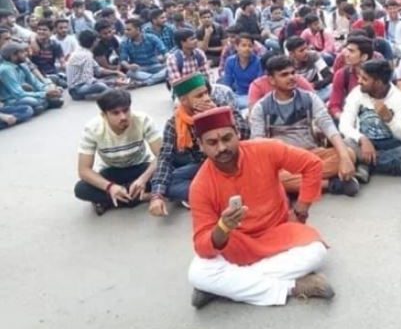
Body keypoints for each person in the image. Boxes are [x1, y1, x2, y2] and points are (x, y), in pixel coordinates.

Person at [186, 106, 334, 308]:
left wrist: (300, 210)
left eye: (227, 138)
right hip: (236, 243)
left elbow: (312, 165)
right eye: (212, 142)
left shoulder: (265, 149)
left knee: (316, 251)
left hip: (278, 231)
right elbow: (202, 245)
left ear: (237, 134)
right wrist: (223, 227)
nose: (221, 148)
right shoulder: (200, 186)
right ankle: (292, 286)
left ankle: (224, 287)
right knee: (198, 272)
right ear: (201, 146)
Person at [249, 56, 359, 196]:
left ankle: (299, 183)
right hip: (283, 162)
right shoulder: (262, 107)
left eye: (293, 73)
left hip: (311, 154)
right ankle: (331, 184)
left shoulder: (309, 98)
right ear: (271, 80)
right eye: (284, 75)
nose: (291, 77)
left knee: (349, 154)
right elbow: (258, 144)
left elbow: (328, 127)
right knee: (270, 176)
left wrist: (344, 158)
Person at [149, 73, 243, 215]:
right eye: (199, 96)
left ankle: (206, 197)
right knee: (170, 182)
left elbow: (245, 133)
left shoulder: (221, 109)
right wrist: (157, 195)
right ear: (184, 100)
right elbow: (165, 158)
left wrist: (216, 114)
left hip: (228, 160)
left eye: (206, 93)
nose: (206, 98)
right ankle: (217, 195)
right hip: (200, 166)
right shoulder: (174, 123)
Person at [340, 59, 401, 186]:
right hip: (364, 143)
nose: (359, 81)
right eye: (359, 77)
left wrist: (389, 120)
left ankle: (366, 164)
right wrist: (362, 139)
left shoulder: (398, 98)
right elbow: (344, 124)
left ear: (378, 83)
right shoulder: (357, 93)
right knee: (346, 143)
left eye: (364, 79)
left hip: (392, 144)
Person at [74, 89, 162, 216]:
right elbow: (84, 170)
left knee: (172, 170)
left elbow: (162, 155)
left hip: (140, 167)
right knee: (81, 189)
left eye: (126, 110)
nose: (123, 117)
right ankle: (141, 197)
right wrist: (110, 187)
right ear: (104, 115)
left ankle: (109, 201)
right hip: (112, 171)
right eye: (115, 113)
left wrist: (143, 179)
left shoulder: (143, 120)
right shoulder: (92, 129)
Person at [0, 42, 64, 114]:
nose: (26, 54)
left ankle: (43, 104)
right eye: (22, 52)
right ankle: (44, 104)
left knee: (56, 90)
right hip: (12, 100)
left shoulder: (22, 66)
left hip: (24, 95)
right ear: (13, 56)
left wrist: (48, 89)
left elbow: (35, 83)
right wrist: (45, 94)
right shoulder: (5, 70)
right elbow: (18, 94)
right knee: (33, 101)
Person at [67, 30, 128, 101]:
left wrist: (116, 72)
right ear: (93, 42)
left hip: (81, 85)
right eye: (96, 40)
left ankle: (112, 90)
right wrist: (113, 82)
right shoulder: (85, 55)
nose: (98, 41)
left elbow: (98, 70)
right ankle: (114, 92)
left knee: (107, 81)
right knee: (101, 86)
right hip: (77, 89)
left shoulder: (83, 52)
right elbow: (89, 80)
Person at [328, 36, 374, 121]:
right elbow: (334, 105)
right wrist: (344, 120)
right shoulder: (342, 74)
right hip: (349, 118)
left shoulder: (377, 76)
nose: (346, 54)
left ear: (364, 57)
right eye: (347, 50)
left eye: (351, 51)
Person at [120, 18, 168, 87]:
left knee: (169, 68)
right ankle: (159, 78)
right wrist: (129, 66)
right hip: (140, 69)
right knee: (130, 73)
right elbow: (123, 60)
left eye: (128, 30)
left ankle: (146, 82)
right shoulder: (125, 43)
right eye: (125, 30)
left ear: (138, 29)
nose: (126, 32)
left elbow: (164, 52)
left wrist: (168, 59)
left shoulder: (152, 37)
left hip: (156, 66)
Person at [285, 36, 333, 102]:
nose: (306, 52)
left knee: (333, 88)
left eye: (306, 48)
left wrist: (314, 85)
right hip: (299, 96)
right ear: (292, 54)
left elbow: (329, 76)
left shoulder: (313, 56)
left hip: (316, 90)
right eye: (301, 50)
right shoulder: (286, 64)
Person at [222, 33, 263, 110]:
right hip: (238, 95)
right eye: (243, 45)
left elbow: (260, 85)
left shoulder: (259, 62)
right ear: (236, 47)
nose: (247, 48)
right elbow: (227, 84)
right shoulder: (230, 61)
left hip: (254, 96)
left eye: (250, 46)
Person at [29, 20, 67, 88]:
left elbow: (63, 62)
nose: (41, 32)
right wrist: (32, 41)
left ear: (51, 32)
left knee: (65, 84)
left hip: (52, 73)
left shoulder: (55, 45)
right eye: (39, 29)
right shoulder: (31, 43)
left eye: (44, 30)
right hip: (36, 74)